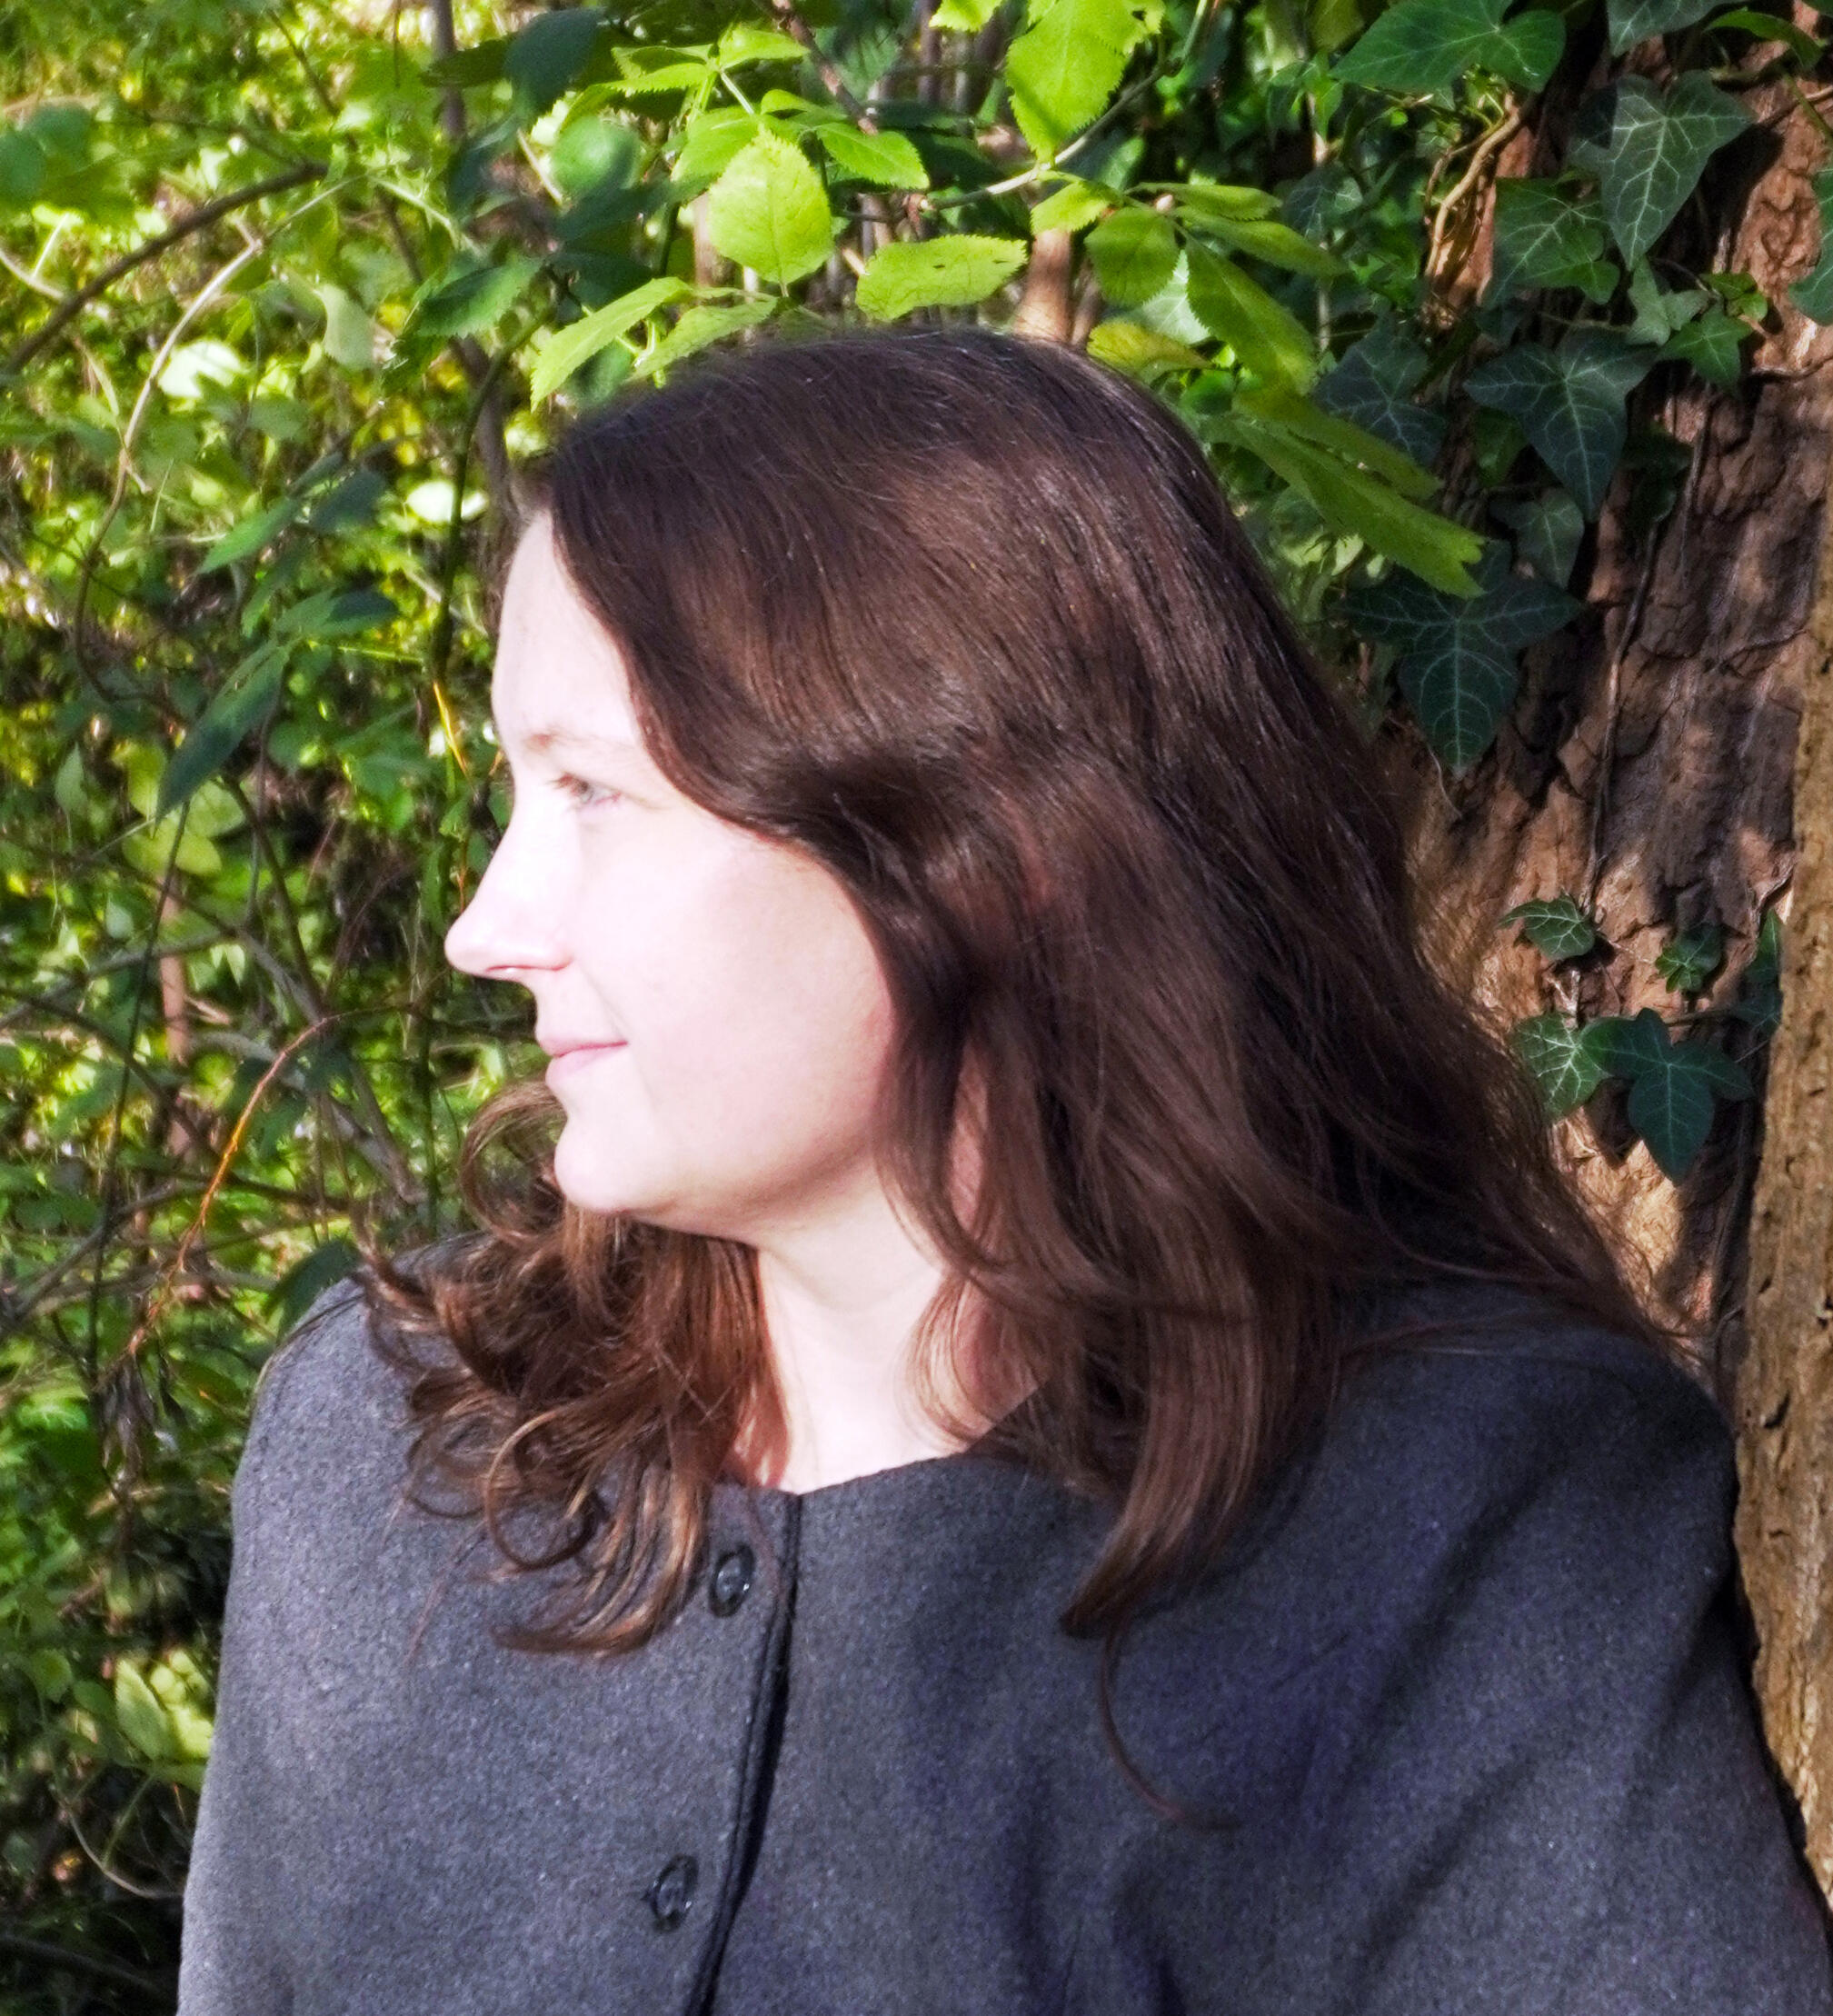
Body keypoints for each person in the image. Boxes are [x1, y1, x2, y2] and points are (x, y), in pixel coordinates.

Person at [176, 325, 1833, 2014]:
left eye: (592, 794)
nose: (484, 926)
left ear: (988, 839)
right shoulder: (396, 1447)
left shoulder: (1462, 1532)